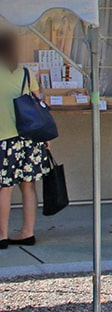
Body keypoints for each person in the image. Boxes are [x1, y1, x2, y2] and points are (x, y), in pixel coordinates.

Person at [0, 31, 49, 250]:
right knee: (28, 187)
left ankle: (1, 235)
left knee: (4, 188)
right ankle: (27, 233)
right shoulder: (26, 74)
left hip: (3, 139)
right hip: (28, 139)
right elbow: (40, 104)